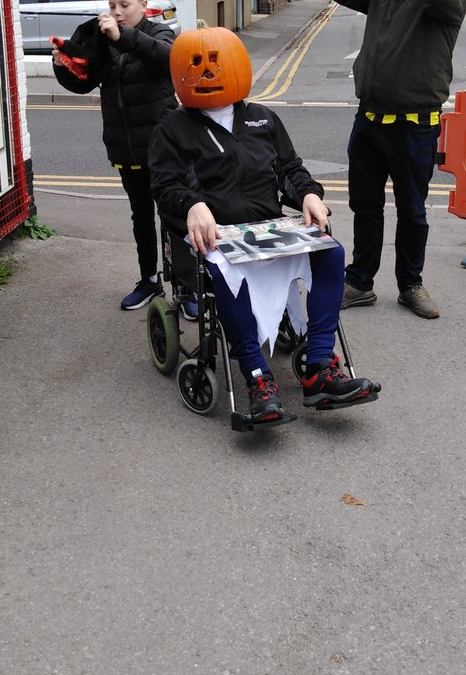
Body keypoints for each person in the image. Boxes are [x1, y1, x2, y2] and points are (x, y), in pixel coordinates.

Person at [149, 26, 380, 424]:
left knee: (332, 251)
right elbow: (165, 186)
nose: (208, 74)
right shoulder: (172, 128)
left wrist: (308, 194)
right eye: (197, 66)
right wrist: (193, 204)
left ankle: (320, 367)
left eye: (216, 64)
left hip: (267, 229)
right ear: (179, 75)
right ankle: (257, 377)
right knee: (225, 268)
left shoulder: (261, 118)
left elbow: (289, 169)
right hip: (217, 235)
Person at [324, 0, 466, 319]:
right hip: (369, 122)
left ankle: (410, 284)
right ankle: (360, 282)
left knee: (413, 211)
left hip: (414, 128)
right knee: (365, 207)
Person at [51, 0, 185, 314]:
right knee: (141, 217)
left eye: (124, 4)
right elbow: (85, 83)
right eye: (112, 5)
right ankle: (148, 280)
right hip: (125, 148)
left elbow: (166, 59)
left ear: (143, 4)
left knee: (174, 217)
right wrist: (64, 68)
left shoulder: (159, 32)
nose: (117, 11)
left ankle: (186, 287)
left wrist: (122, 35)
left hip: (162, 147)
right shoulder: (104, 40)